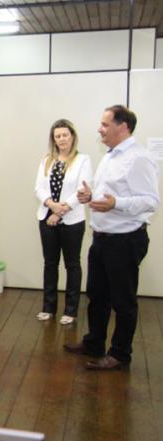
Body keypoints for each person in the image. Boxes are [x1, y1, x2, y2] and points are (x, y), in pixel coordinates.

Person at [65, 105, 159, 371]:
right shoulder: (109, 156)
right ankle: (94, 343)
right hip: (102, 238)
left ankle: (119, 355)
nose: (99, 128)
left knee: (123, 300)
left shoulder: (139, 158)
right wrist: (89, 196)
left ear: (123, 126)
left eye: (105, 124)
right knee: (97, 295)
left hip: (125, 240)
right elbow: (106, 193)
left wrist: (116, 203)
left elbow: (151, 201)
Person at [34, 119, 92, 324]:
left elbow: (82, 191)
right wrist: (51, 205)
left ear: (72, 136)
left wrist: (59, 212)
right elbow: (39, 188)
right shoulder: (47, 160)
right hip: (46, 218)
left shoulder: (83, 160)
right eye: (57, 136)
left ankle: (71, 310)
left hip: (72, 220)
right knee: (50, 263)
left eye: (65, 135)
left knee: (72, 264)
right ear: (53, 139)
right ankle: (48, 308)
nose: (61, 139)